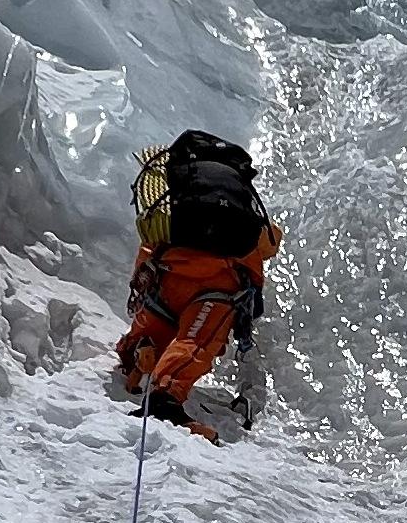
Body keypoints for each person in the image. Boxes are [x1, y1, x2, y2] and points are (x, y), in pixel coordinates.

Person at [109, 130, 281, 442]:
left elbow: (151, 240)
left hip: (169, 276)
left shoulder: (176, 198)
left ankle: (138, 355)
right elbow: (267, 243)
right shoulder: (240, 207)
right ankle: (165, 402)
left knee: (156, 333)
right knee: (195, 343)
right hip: (216, 286)